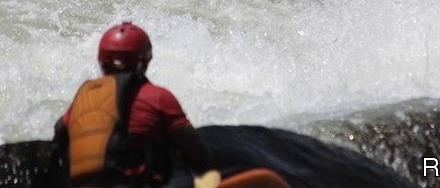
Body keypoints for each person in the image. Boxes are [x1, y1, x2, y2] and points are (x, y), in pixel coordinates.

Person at [54, 22, 290, 188]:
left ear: (101, 59)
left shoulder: (82, 97)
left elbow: (60, 134)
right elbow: (198, 157)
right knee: (267, 181)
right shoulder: (157, 97)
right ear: (145, 60)